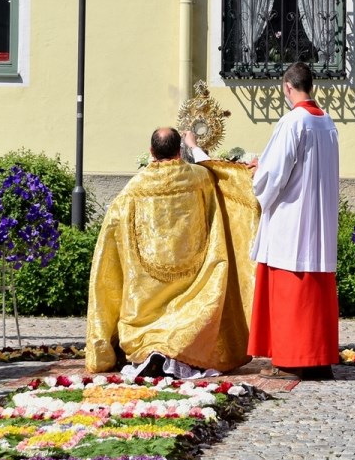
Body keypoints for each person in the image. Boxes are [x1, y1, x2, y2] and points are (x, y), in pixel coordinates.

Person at [86, 127, 257, 375]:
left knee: (145, 304)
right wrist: (199, 148)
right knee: (193, 307)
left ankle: (149, 348)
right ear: (179, 150)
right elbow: (228, 185)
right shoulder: (201, 178)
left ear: (151, 152)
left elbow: (112, 235)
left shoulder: (134, 188)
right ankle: (179, 349)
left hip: (147, 288)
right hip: (194, 280)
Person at [247, 62, 340, 381]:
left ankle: (291, 360)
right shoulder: (327, 122)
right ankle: (318, 358)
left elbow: (274, 174)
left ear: (288, 87)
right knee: (313, 295)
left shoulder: (292, 122)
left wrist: (258, 174)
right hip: (319, 217)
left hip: (293, 218)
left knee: (291, 292)